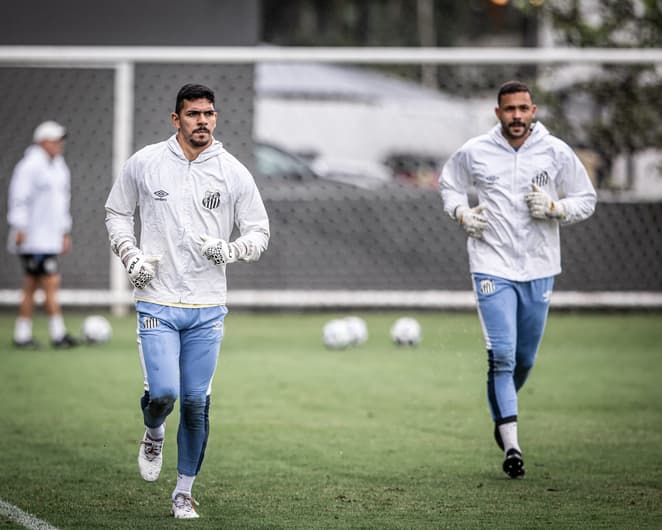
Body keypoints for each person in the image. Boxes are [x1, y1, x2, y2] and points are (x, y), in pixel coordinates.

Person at [105, 83, 269, 518]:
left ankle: (184, 491)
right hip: (156, 298)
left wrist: (231, 250)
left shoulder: (232, 171)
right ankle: (153, 430)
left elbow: (259, 232)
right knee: (162, 393)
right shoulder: (146, 162)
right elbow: (117, 212)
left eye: (209, 114)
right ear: (175, 119)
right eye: (193, 114)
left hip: (207, 305)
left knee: (196, 402)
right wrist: (130, 254)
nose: (203, 121)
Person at [439, 81, 596, 479]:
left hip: (539, 267)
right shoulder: (475, 151)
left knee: (524, 359)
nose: (517, 117)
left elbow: (586, 198)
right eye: (509, 110)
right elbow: (449, 184)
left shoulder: (555, 151)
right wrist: (461, 212)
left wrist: (556, 207)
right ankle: (512, 446)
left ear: (534, 110)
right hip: (491, 264)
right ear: (498, 113)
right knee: (503, 355)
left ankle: (501, 413)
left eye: (523, 109)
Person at [7, 120, 79, 349]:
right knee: (49, 282)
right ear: (42, 141)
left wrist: (64, 231)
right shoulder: (29, 166)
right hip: (32, 238)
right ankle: (57, 334)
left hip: (49, 238)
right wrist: (19, 227)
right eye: (55, 140)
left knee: (32, 285)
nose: (60, 144)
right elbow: (19, 198)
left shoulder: (59, 166)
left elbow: (63, 203)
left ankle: (23, 334)